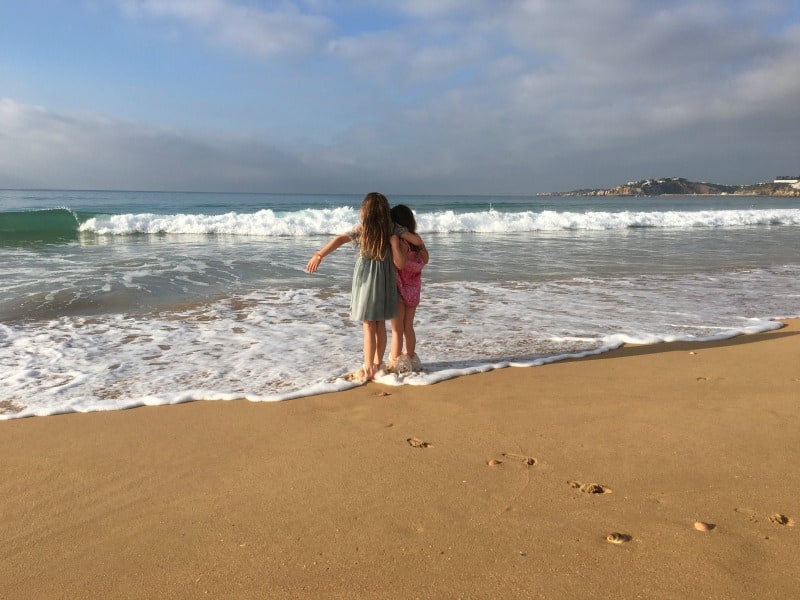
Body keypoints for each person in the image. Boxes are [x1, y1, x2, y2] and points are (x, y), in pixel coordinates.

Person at [306, 192, 406, 382]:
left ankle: (368, 368)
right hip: (385, 280)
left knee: (368, 325)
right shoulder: (392, 229)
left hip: (367, 282)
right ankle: (378, 365)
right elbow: (413, 238)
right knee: (380, 324)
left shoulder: (363, 229)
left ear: (365, 211)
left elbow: (340, 239)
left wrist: (319, 255)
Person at [388, 204, 429, 374]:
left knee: (397, 329)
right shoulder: (416, 240)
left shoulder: (395, 240)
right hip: (413, 288)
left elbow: (397, 262)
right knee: (408, 327)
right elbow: (426, 259)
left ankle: (395, 363)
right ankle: (410, 358)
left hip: (398, 287)